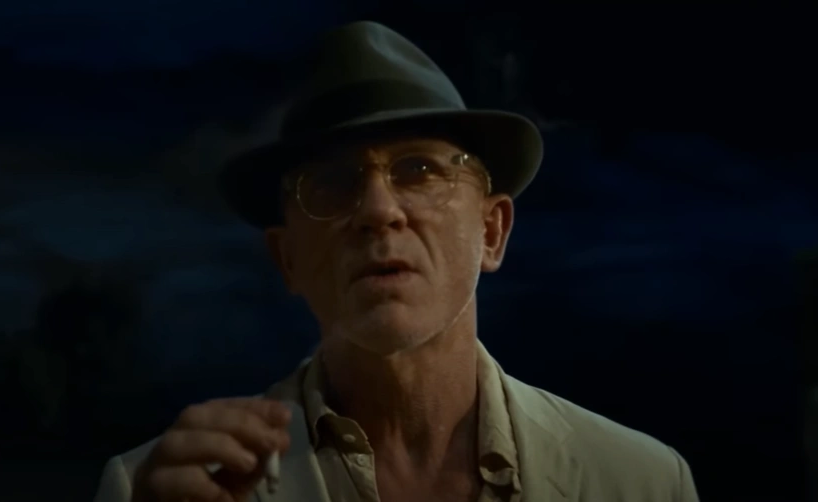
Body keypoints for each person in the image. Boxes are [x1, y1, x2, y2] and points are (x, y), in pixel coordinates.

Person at [94, 21, 700, 502]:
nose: (378, 210)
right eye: (333, 182)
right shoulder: (156, 489)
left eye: (419, 169)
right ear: (287, 257)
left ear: (492, 231)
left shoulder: (642, 483)